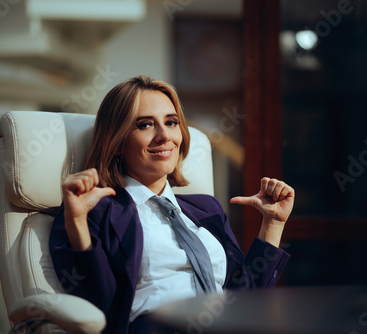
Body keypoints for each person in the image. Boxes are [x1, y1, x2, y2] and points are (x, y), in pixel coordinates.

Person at [49, 75, 295, 334]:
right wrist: (76, 222)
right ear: (118, 142)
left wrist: (273, 223)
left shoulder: (207, 209)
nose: (164, 136)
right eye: (144, 125)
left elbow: (246, 300)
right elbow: (100, 306)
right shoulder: (94, 211)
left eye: (171, 122)